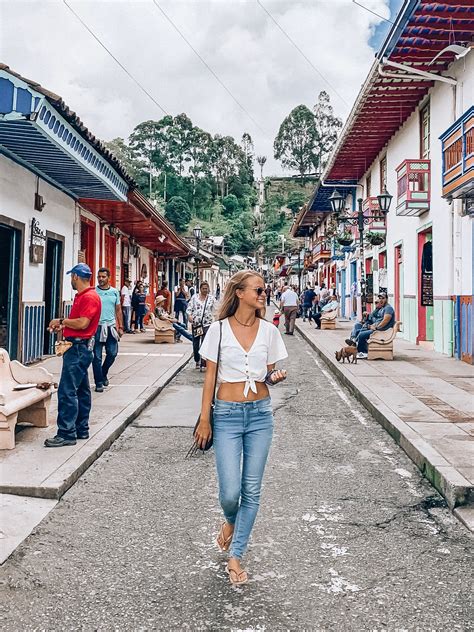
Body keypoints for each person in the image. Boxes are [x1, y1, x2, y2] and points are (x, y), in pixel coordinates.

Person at [196, 270, 288, 585]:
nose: (264, 294)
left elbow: (269, 373)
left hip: (261, 415)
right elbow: (210, 377)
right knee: (229, 492)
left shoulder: (269, 331)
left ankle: (235, 556)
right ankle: (231, 522)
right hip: (226, 415)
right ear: (239, 293)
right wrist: (204, 419)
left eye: (265, 290)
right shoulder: (218, 330)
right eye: (258, 289)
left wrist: (274, 377)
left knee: (251, 490)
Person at [44, 263, 101, 447]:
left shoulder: (89, 297)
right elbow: (79, 322)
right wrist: (64, 326)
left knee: (67, 390)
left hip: (78, 349)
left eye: (71, 277)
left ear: (76, 276)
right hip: (79, 347)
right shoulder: (84, 296)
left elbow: (83, 323)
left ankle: (66, 433)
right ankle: (81, 428)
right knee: (82, 390)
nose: (71, 280)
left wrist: (60, 320)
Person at [92, 268, 123, 393]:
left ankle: (103, 373)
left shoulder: (114, 292)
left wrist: (120, 326)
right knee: (97, 357)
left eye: (103, 277)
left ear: (108, 278)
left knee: (112, 353)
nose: (100, 279)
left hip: (110, 327)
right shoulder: (93, 292)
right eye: (99, 277)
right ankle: (98, 382)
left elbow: (118, 310)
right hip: (97, 327)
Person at [355, 292, 395, 359]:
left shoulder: (388, 308)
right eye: (379, 298)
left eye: (383, 298)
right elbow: (373, 316)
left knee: (362, 334)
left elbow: (385, 321)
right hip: (379, 329)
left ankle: (363, 352)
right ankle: (357, 346)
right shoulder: (382, 308)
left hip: (383, 331)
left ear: (387, 299)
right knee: (358, 331)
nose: (381, 300)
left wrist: (376, 327)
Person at [187, 281, 216, 369]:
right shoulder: (195, 298)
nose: (205, 290)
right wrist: (189, 316)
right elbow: (189, 308)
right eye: (203, 289)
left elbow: (215, 309)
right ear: (200, 289)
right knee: (196, 344)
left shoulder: (211, 299)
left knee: (205, 343)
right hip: (197, 324)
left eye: (206, 289)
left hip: (207, 324)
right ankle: (197, 360)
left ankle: (203, 362)